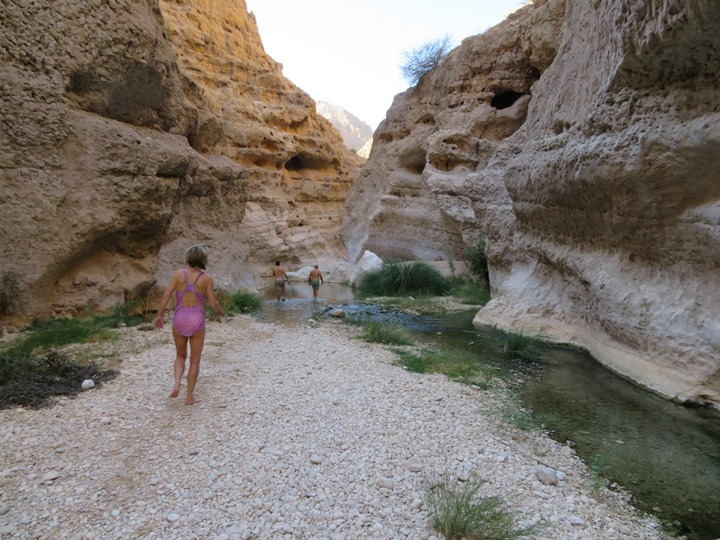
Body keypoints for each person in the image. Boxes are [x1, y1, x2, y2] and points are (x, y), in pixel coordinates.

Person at [154, 244, 225, 405]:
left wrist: (159, 316)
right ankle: (189, 397)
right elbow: (213, 303)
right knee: (195, 360)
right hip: (196, 320)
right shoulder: (206, 279)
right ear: (204, 260)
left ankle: (177, 383)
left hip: (179, 318)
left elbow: (166, 295)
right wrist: (220, 312)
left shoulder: (178, 275)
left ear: (188, 258)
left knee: (180, 355)